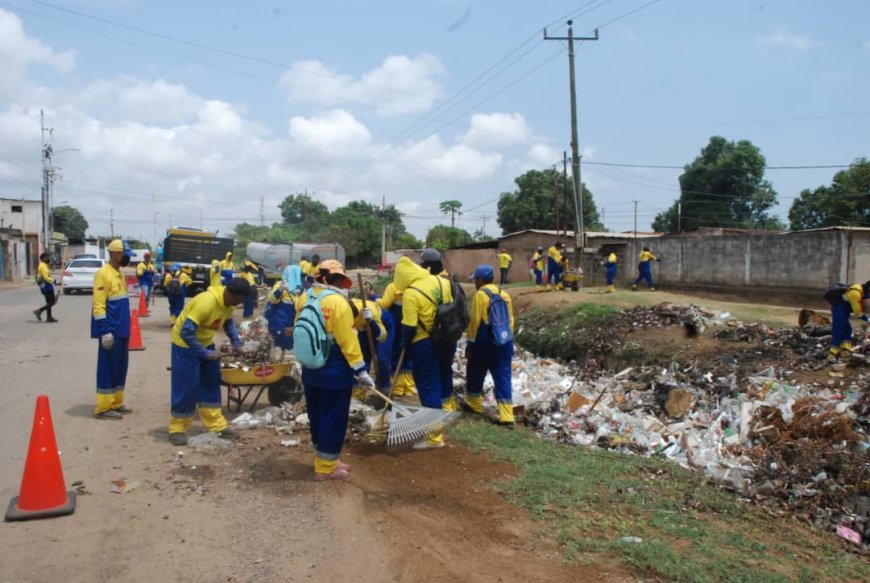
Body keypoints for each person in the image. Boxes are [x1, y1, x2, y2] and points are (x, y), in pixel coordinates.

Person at [295, 260, 371, 480]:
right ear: (337, 280)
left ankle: (324, 457)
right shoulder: (338, 302)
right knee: (333, 416)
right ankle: (326, 468)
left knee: (317, 413)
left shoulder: (304, 297)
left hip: (310, 366)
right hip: (334, 369)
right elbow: (348, 340)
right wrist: (361, 370)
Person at [168, 278, 251, 445]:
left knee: (210, 384)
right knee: (187, 387)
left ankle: (216, 425)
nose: (240, 304)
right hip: (185, 346)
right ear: (237, 296)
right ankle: (177, 429)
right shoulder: (206, 302)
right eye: (241, 300)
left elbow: (228, 325)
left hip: (206, 344)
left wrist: (237, 344)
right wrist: (204, 353)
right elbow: (186, 332)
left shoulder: (227, 305)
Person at [394, 255, 455, 449]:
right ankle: (447, 414)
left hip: (424, 344)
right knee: (444, 376)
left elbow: (409, 327)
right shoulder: (441, 281)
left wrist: (403, 343)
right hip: (447, 339)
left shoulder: (410, 293)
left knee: (429, 386)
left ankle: (434, 437)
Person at [463, 264, 515, 426]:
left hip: (484, 343)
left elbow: (474, 322)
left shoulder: (480, 295)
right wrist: (505, 339)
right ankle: (507, 415)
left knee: (475, 372)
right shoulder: (505, 294)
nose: (474, 283)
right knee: (503, 377)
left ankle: (474, 404)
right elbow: (511, 321)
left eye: (475, 280)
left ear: (480, 280)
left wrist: (470, 345)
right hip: (504, 343)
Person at [92, 239, 134, 420]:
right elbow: (98, 306)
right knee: (107, 367)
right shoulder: (103, 274)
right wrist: (105, 331)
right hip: (111, 330)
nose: (127, 259)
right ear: (116, 254)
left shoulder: (119, 274)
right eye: (125, 255)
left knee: (120, 367)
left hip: (122, 330)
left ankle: (116, 402)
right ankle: (103, 407)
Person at [419, 248, 458, 412]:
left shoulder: (434, 282)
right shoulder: (449, 280)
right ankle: (448, 404)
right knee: (445, 368)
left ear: (427, 266)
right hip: (450, 334)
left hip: (436, 334)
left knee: (433, 372)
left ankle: (437, 410)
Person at [376, 282, 416, 397]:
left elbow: (384, 304)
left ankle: (397, 387)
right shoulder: (414, 286)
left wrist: (374, 298)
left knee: (396, 353)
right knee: (408, 354)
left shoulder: (393, 286)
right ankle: (408, 387)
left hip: (396, 322)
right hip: (411, 321)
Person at [350, 298, 390, 402]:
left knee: (382, 358)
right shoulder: (344, 311)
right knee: (362, 357)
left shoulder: (368, 310)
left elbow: (381, 336)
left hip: (381, 325)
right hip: (363, 328)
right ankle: (360, 393)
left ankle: (383, 390)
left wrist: (371, 322)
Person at [829, 281, 870, 362]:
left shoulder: (860, 287)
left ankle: (845, 350)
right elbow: (858, 313)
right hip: (838, 309)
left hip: (844, 310)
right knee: (839, 330)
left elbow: (865, 296)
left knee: (847, 328)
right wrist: (868, 319)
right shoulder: (855, 293)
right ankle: (833, 353)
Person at [265, 279, 297, 352]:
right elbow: (272, 299)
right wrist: (280, 290)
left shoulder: (300, 286)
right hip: (280, 317)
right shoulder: (281, 284)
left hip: (293, 318)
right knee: (280, 341)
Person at [33, 252, 59, 323]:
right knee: (52, 302)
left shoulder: (43, 265)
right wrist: (55, 281)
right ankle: (39, 311)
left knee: (49, 302)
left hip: (44, 286)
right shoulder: (43, 266)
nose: (49, 259)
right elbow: (46, 277)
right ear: (43, 258)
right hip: (47, 286)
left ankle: (49, 317)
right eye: (48, 257)